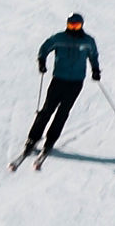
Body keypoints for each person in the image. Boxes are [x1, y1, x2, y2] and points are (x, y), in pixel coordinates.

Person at [23, 14, 102, 169]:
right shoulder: (59, 38)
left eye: (77, 26)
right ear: (67, 25)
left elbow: (93, 55)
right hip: (58, 79)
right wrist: (41, 61)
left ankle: (51, 139)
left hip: (76, 82)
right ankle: (33, 138)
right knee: (47, 110)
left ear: (81, 25)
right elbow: (45, 48)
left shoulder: (87, 41)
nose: (74, 29)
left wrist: (96, 70)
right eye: (71, 26)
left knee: (63, 112)